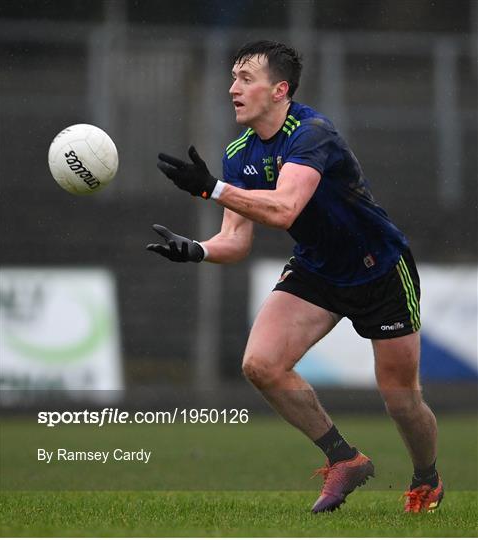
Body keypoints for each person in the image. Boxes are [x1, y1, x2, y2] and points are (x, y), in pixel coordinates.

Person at [147, 40, 444, 513]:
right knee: (260, 364)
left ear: (280, 89)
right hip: (316, 268)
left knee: (401, 401)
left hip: (380, 270)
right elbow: (236, 241)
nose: (232, 89)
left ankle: (427, 478)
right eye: (233, 78)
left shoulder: (312, 133)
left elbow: (285, 208)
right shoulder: (239, 153)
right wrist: (198, 250)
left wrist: (212, 188)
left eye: (246, 79)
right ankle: (344, 459)